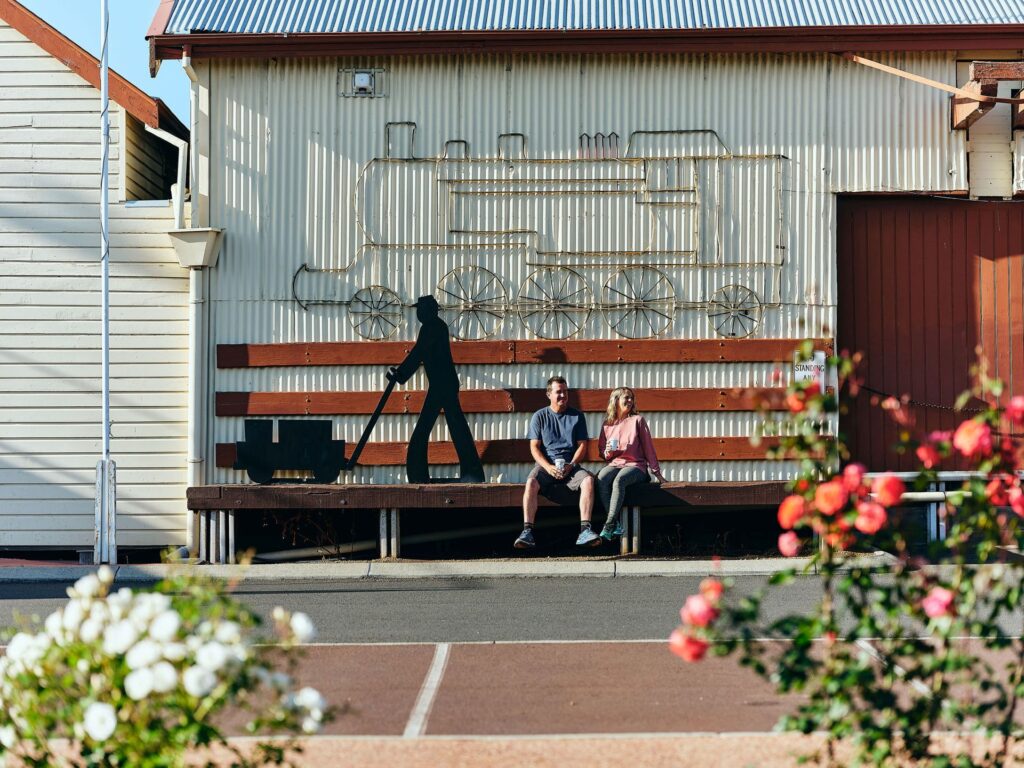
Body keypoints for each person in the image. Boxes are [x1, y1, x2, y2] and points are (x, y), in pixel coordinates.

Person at [388, 295, 485, 484]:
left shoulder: (432, 327)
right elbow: (420, 353)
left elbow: (419, 352)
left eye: (421, 310)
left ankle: (420, 475)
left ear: (429, 311)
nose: (418, 313)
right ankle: (471, 473)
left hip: (443, 385)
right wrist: (400, 375)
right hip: (443, 384)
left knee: (426, 429)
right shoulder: (436, 326)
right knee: (456, 428)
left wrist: (401, 375)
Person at [514, 376, 599, 549]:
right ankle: (527, 532)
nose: (563, 395)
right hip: (547, 466)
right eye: (558, 392)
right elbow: (534, 447)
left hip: (571, 466)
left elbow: (582, 445)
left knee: (589, 480)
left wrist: (572, 464)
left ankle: (585, 530)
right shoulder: (540, 416)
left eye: (565, 392)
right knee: (531, 482)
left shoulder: (577, 416)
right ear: (549, 394)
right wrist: (548, 467)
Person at [596, 387, 666, 542]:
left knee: (619, 480)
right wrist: (607, 451)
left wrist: (657, 473)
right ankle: (617, 525)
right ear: (616, 401)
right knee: (601, 478)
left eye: (631, 398)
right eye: (626, 398)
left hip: (636, 467)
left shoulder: (637, 420)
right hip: (616, 464)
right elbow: (603, 453)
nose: (629, 401)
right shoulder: (608, 424)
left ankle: (609, 524)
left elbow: (649, 448)